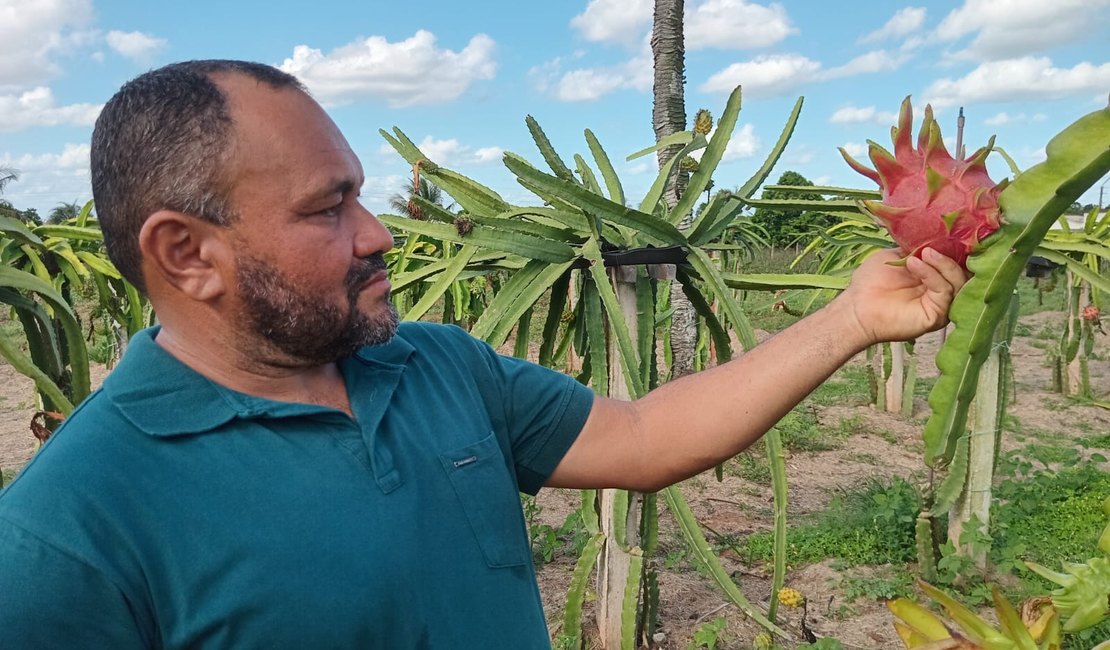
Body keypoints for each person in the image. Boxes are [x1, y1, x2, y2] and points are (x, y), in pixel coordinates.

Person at [0, 60, 967, 649]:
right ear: (186, 254)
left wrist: (852, 320)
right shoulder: (66, 537)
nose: (379, 233)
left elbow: (640, 436)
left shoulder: (440, 367)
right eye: (327, 206)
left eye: (361, 194)